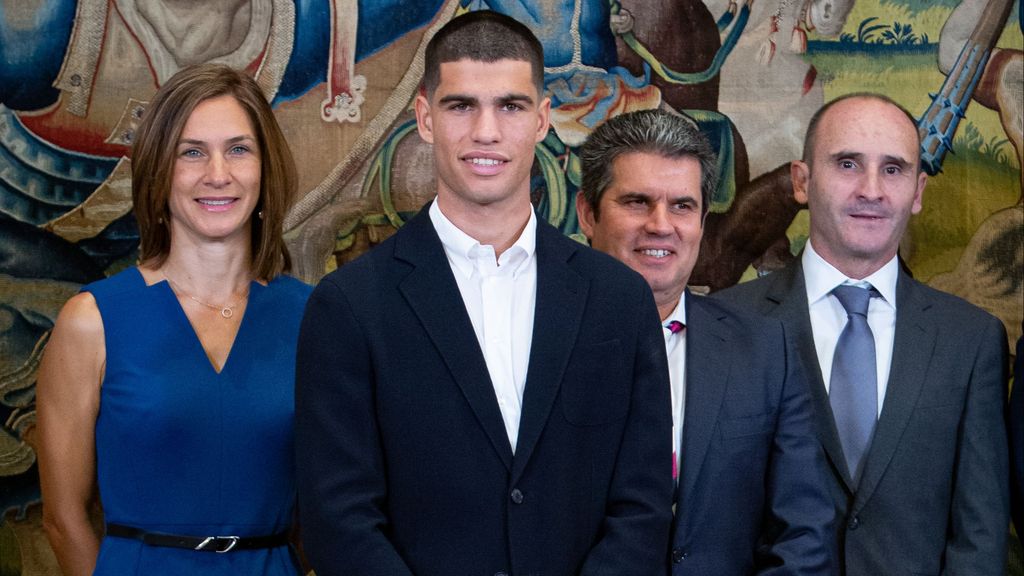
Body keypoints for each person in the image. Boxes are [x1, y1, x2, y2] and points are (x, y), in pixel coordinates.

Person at [295, 10, 673, 576]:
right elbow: (338, 517)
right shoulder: (349, 304)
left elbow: (642, 506)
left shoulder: (618, 299)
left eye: (511, 106)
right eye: (461, 105)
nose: (486, 132)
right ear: (425, 117)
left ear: (543, 119)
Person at [717, 93, 1010, 575]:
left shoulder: (971, 341)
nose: (871, 189)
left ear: (917, 193)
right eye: (848, 164)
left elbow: (979, 534)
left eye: (893, 169)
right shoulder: (727, 327)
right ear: (801, 181)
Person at [35, 63, 311, 576]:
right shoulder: (91, 321)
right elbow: (63, 519)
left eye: (238, 149)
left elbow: (337, 506)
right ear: (159, 172)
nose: (217, 174)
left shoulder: (313, 318)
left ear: (264, 167)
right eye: (192, 152)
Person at [576, 108, 834, 574]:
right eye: (637, 202)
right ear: (588, 214)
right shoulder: (529, 345)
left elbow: (803, 532)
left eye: (682, 205)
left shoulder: (764, 349)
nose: (661, 225)